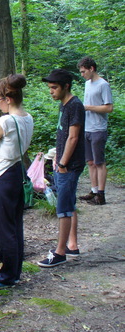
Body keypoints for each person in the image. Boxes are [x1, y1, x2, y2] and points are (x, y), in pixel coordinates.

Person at [0, 74, 34, 287]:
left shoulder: (5, 121)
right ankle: (14, 271)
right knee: (15, 226)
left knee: (3, 229)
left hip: (0, 177)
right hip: (16, 173)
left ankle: (7, 276)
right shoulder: (27, 118)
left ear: (8, 99)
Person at [38, 69, 85, 268]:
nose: (51, 91)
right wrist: (58, 155)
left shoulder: (75, 105)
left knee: (63, 208)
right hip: (64, 161)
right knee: (69, 203)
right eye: (49, 88)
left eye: (54, 87)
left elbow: (74, 137)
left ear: (66, 86)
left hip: (70, 165)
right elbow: (64, 134)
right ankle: (72, 245)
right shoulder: (64, 105)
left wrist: (63, 163)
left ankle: (60, 252)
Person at [77, 57, 114, 205]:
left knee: (99, 162)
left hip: (98, 128)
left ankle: (101, 194)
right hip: (87, 127)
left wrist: (88, 107)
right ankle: (93, 191)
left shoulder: (103, 85)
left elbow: (109, 108)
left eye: (83, 71)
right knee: (90, 162)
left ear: (91, 68)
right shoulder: (87, 84)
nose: (82, 74)